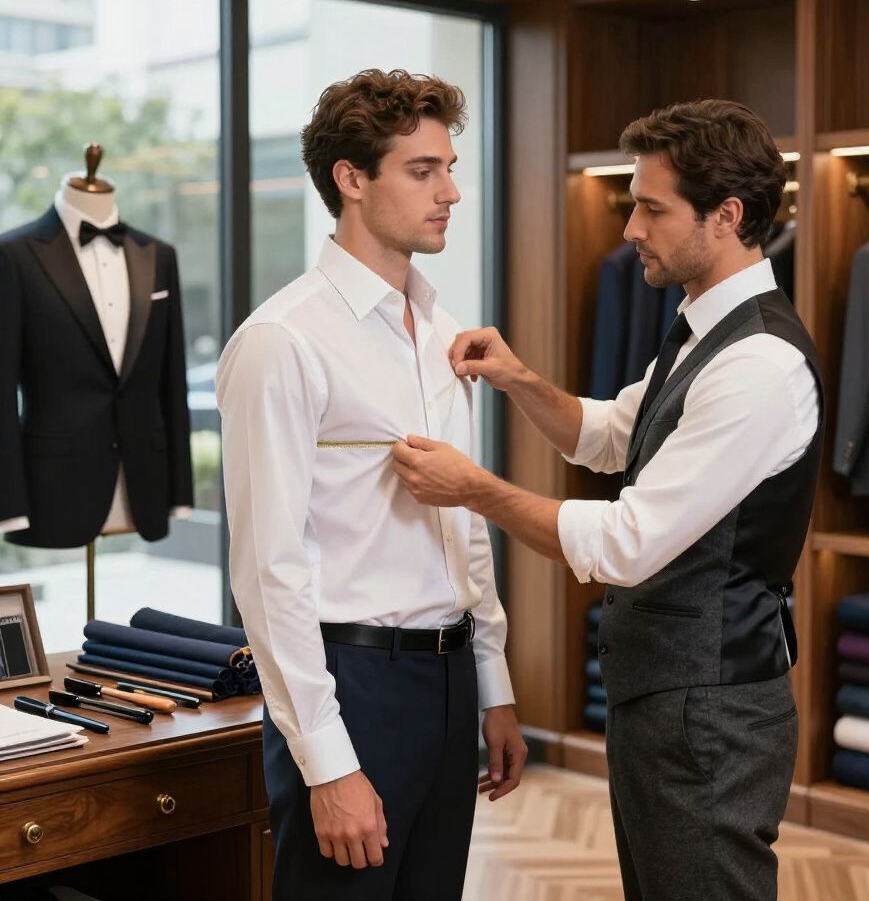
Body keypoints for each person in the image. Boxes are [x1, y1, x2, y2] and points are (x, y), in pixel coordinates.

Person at [392, 99, 824, 901]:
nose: (630, 229)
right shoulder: (704, 330)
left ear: (726, 216)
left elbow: (626, 541)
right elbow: (611, 435)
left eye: (652, 209)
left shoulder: (758, 364)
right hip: (671, 696)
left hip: (711, 711)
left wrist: (475, 489)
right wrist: (520, 380)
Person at [217, 69, 526, 901]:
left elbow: (463, 524)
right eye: (422, 171)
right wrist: (328, 764)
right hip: (353, 687)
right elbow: (268, 570)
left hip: (450, 678)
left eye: (449, 167)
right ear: (351, 179)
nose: (452, 192)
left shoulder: (444, 333)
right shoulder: (280, 341)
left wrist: (492, 686)